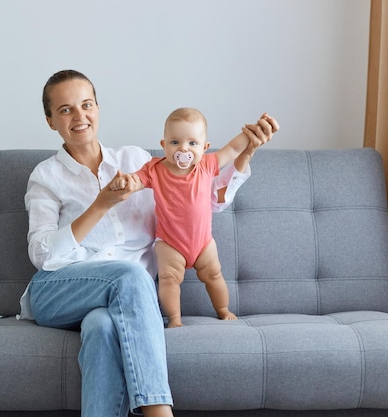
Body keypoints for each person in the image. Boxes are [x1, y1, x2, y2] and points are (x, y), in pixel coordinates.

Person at [18, 69, 277, 417]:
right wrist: (100, 206)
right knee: (131, 275)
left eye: (86, 105)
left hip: (121, 303)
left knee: (101, 326)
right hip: (58, 290)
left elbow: (202, 202)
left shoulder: (136, 162)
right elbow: (42, 255)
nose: (79, 116)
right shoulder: (45, 176)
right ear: (51, 121)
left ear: (97, 108)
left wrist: (244, 154)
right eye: (65, 110)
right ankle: (159, 412)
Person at [111, 108, 278, 327]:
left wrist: (254, 131)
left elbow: (234, 148)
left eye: (192, 143)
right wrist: (126, 183)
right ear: (163, 145)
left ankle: (223, 309)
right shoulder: (155, 168)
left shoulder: (207, 165)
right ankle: (175, 318)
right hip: (170, 243)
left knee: (215, 275)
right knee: (169, 280)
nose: (183, 149)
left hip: (203, 243)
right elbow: (137, 180)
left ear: (204, 147)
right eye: (175, 142)